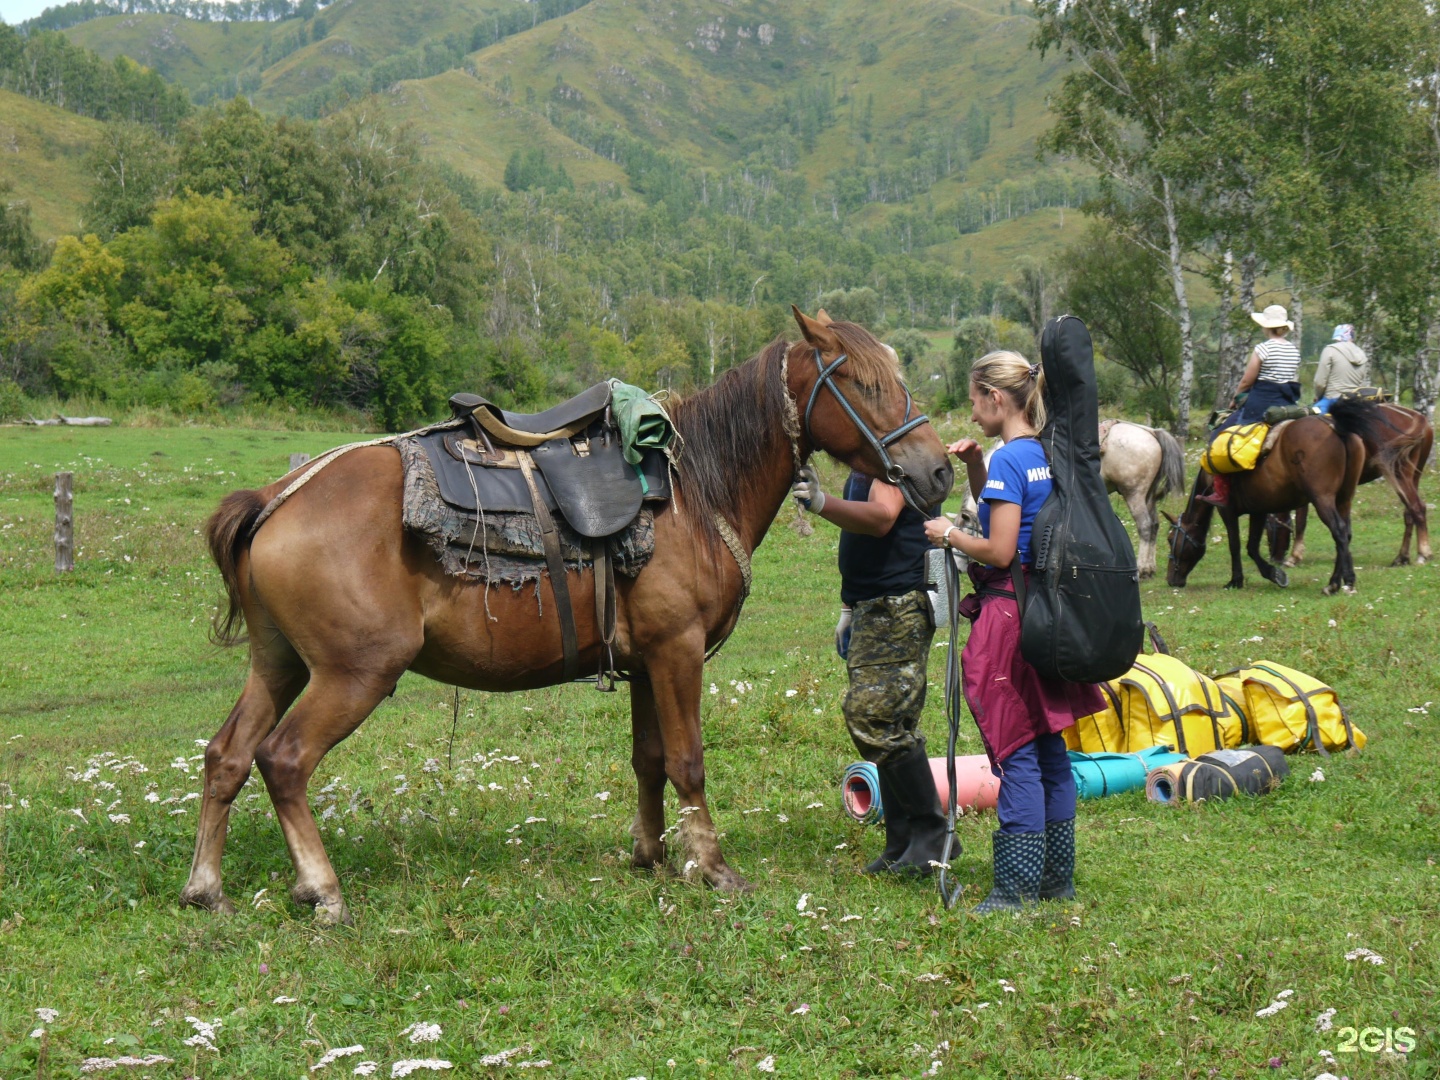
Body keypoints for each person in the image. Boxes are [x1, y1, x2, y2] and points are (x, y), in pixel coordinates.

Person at [922, 351, 1103, 913]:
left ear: (996, 398)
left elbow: (1001, 549)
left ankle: (1015, 888)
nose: (973, 413)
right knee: (1048, 746)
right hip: (1050, 615)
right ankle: (1056, 879)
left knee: (1016, 749)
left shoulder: (1010, 460)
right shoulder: (1047, 453)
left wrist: (948, 534)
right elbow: (1019, 517)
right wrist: (978, 468)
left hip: (1007, 619)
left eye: (975, 401)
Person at [790, 464, 947, 877]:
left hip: (897, 604)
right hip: (872, 604)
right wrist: (848, 606)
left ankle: (932, 832)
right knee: (892, 722)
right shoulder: (867, 462)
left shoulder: (893, 460)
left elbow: (881, 519)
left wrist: (820, 503)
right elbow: (860, 542)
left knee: (872, 717)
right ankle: (902, 842)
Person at [1199, 303, 1303, 506]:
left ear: (1266, 326)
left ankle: (1222, 492)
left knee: (1221, 435)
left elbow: (1247, 380)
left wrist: (1235, 397)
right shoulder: (1293, 350)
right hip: (1287, 402)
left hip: (1262, 401)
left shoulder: (1262, 348)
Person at [1313, 324, 1370, 413]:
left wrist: (1318, 396)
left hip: (1332, 398)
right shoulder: (1361, 353)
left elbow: (1320, 383)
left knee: (1311, 416)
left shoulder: (1330, 350)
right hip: (1354, 401)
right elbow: (1362, 381)